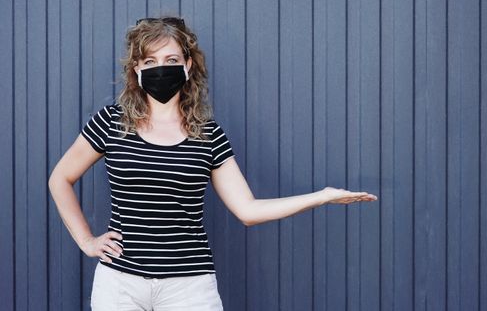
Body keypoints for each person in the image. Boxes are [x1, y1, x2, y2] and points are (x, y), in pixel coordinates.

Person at [48, 16, 378, 310]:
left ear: (188, 65)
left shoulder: (208, 135)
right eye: (150, 60)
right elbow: (60, 178)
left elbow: (248, 210)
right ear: (136, 68)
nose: (160, 67)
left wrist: (321, 196)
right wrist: (87, 241)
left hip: (189, 288)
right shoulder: (111, 123)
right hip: (120, 285)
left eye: (171, 59)